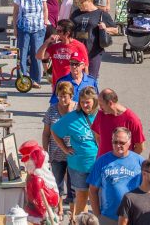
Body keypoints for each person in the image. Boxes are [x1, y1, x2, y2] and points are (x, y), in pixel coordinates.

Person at [52, 87, 101, 220]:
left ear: (94, 101)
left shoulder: (101, 115)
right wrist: (65, 149)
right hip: (79, 166)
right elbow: (55, 131)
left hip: (99, 165)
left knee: (99, 198)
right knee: (81, 197)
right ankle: (80, 222)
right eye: (82, 102)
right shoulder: (72, 117)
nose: (85, 105)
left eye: (88, 102)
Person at [89, 128, 145, 225]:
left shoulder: (140, 161)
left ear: (129, 142)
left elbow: (148, 189)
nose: (118, 145)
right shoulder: (101, 161)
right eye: (115, 142)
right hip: (109, 217)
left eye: (122, 143)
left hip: (134, 217)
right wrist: (97, 216)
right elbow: (93, 190)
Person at [13, 0, 49, 88]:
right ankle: (23, 78)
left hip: (38, 29)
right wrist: (15, 28)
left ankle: (35, 79)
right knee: (22, 53)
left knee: (36, 54)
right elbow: (15, 12)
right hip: (23, 28)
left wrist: (45, 21)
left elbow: (45, 9)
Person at [44, 81, 78, 209]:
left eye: (66, 96)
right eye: (60, 95)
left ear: (71, 96)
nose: (62, 99)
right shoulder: (52, 110)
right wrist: (45, 152)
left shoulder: (77, 110)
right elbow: (46, 133)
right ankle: (59, 209)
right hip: (56, 154)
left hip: (74, 155)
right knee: (57, 185)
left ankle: (73, 214)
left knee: (73, 187)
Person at [71, 0, 119, 79]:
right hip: (77, 51)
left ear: (88, 0)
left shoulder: (101, 14)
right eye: (77, 2)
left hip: (93, 52)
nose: (79, 5)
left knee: (91, 78)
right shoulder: (76, 13)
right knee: (76, 77)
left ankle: (92, 92)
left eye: (80, 2)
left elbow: (115, 30)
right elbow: (69, 27)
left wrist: (104, 28)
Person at [93, 89, 147, 156]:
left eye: (101, 105)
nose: (100, 108)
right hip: (103, 162)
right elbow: (97, 135)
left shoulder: (132, 120)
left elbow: (140, 147)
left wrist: (126, 160)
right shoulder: (101, 114)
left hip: (121, 165)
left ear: (110, 103)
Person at [38, 20, 90, 85]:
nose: (56, 33)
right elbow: (39, 56)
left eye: (59, 31)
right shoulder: (55, 46)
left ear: (67, 33)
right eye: (56, 30)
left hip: (72, 85)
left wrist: (85, 84)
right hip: (57, 85)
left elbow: (85, 66)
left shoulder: (79, 46)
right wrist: (47, 42)